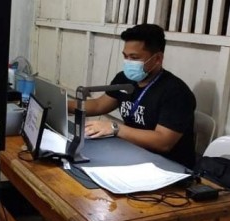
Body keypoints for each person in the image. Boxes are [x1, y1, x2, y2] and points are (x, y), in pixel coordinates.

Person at [69, 24, 196, 168]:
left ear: (158, 58)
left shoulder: (176, 92)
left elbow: (163, 142)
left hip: (167, 167)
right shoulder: (124, 79)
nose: (128, 62)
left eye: (134, 57)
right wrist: (65, 105)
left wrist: (115, 128)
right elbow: (99, 105)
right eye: (125, 56)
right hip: (132, 153)